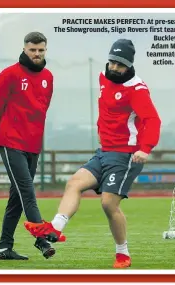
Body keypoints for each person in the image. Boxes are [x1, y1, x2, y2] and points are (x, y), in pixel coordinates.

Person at [24, 39, 162, 268]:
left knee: (108, 204)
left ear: (129, 66)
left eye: (120, 65)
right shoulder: (103, 78)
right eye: (112, 62)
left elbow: (153, 120)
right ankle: (56, 228)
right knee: (75, 182)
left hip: (126, 155)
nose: (115, 68)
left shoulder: (136, 89)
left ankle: (122, 254)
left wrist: (145, 149)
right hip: (104, 152)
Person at [0, 32, 55, 260]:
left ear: (45, 50)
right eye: (32, 50)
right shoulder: (9, 75)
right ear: (24, 49)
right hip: (11, 141)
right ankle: (42, 238)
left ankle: (3, 248)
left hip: (33, 144)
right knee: (27, 189)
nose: (36, 54)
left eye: (40, 50)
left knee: (17, 197)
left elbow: (42, 110)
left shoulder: (48, 77)